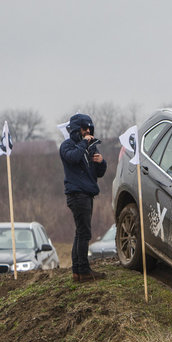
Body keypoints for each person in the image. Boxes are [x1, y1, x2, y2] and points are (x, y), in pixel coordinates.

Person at [60, 113, 108, 281]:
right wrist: (84, 143)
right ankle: (84, 271)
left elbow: (99, 173)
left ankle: (77, 271)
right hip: (77, 194)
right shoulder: (67, 146)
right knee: (85, 233)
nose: (88, 131)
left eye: (89, 128)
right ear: (75, 129)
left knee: (80, 233)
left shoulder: (90, 147)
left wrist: (101, 162)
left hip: (87, 193)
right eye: (84, 128)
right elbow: (73, 158)